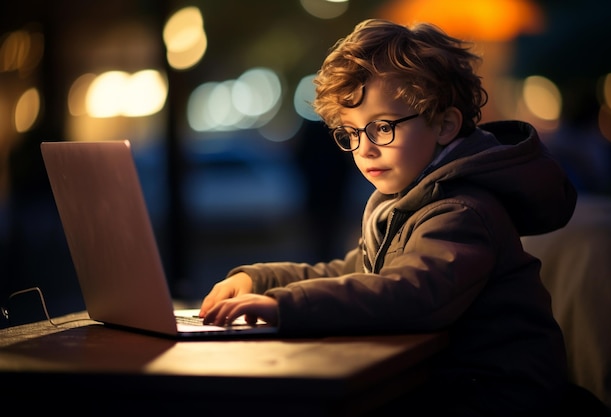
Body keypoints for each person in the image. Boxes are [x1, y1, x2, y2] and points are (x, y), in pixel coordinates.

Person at [200, 19, 578, 416]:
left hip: (498, 396)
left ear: (444, 125)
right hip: (445, 381)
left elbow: (411, 293)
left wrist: (286, 306)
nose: (364, 148)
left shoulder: (461, 210)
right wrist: (260, 280)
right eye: (351, 132)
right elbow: (356, 273)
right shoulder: (405, 199)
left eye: (381, 127)